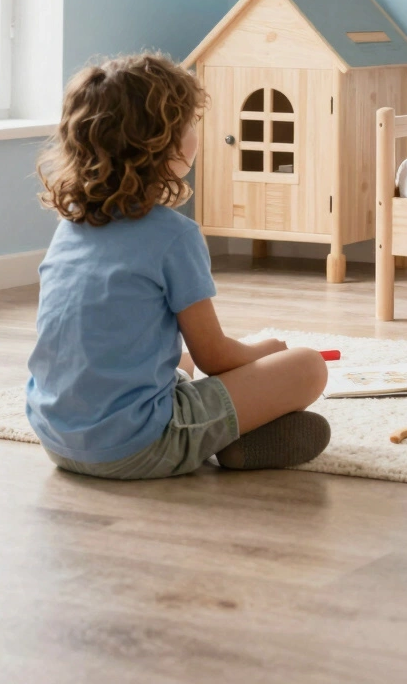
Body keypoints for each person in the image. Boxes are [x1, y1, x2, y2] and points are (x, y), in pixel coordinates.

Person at [25, 52, 332, 479]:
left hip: (57, 440)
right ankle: (218, 444)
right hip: (136, 446)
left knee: (178, 363)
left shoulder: (71, 223)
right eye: (189, 124)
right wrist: (265, 351)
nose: (196, 133)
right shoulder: (174, 236)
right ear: (162, 145)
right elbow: (216, 356)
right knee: (307, 366)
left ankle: (222, 436)